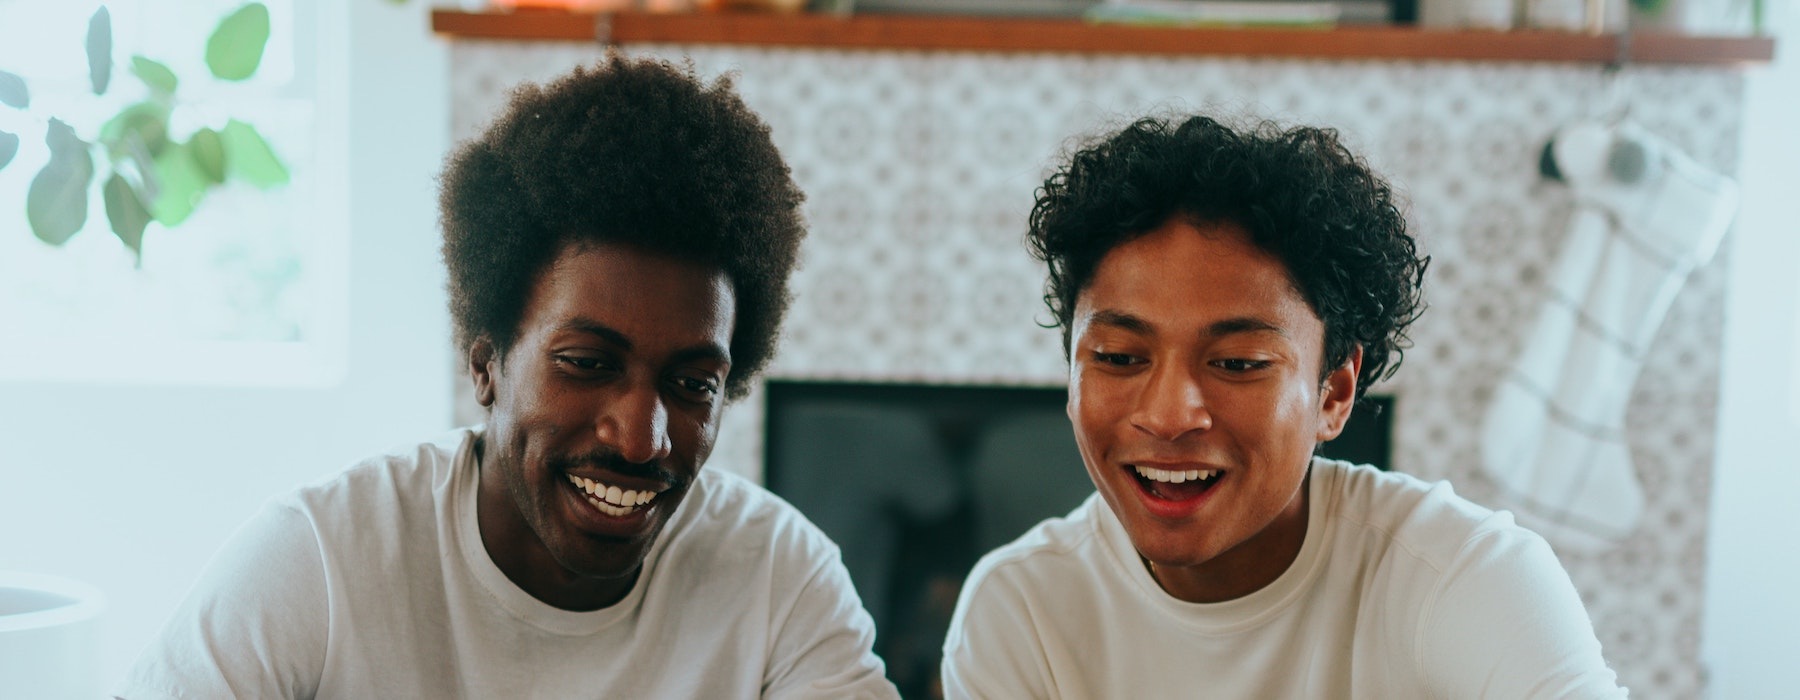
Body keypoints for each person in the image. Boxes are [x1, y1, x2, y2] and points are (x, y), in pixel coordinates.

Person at [117, 55, 898, 699]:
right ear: (486, 360)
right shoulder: (321, 559)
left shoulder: (778, 578)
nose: (641, 436)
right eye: (588, 365)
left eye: (692, 384)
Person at [940, 115, 1627, 698]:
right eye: (1120, 358)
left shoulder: (1464, 578)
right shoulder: (1022, 611)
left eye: (1238, 363)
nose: (1171, 414)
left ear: (1334, 392)